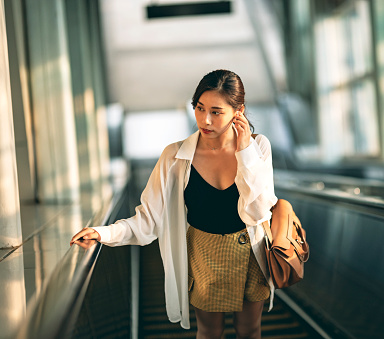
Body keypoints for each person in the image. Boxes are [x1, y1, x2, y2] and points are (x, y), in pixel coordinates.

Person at [70, 69, 278, 339]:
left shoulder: (258, 147)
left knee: (250, 331)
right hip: (204, 253)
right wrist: (104, 233)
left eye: (216, 111)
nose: (205, 119)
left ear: (238, 111)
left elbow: (260, 211)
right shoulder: (175, 156)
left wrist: (245, 152)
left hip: (252, 250)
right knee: (210, 332)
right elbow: (148, 218)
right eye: (200, 108)